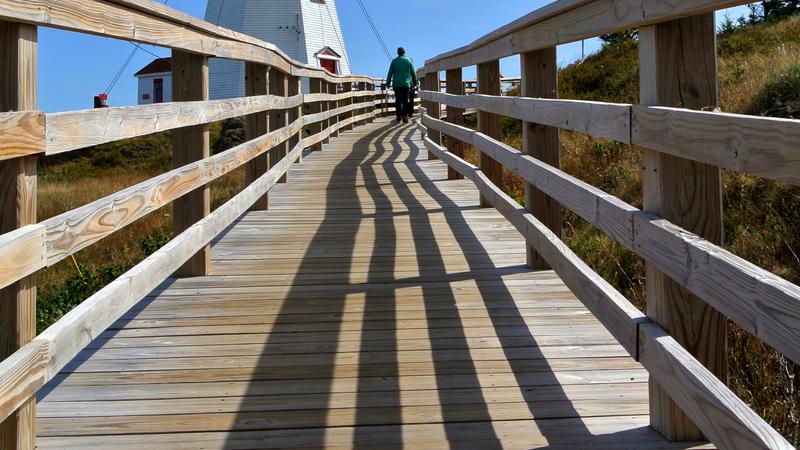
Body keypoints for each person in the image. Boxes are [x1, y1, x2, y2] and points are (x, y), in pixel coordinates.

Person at [386, 47, 417, 124]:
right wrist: (415, 83)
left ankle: (398, 116)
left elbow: (390, 73)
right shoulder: (408, 60)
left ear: (398, 53)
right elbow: (413, 73)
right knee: (405, 100)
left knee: (398, 100)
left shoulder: (394, 61)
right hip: (406, 84)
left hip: (396, 84)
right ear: (404, 52)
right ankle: (405, 116)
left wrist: (388, 83)